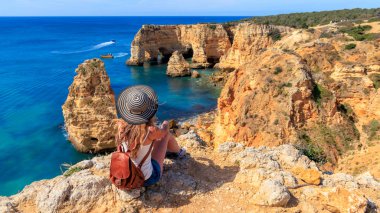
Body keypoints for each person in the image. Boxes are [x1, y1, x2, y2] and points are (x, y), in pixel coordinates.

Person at [114, 85, 186, 187]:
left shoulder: (121, 126)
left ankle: (177, 152)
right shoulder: (150, 130)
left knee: (151, 142)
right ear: (148, 110)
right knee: (166, 136)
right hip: (146, 179)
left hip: (123, 175)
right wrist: (165, 124)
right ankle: (179, 153)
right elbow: (164, 133)